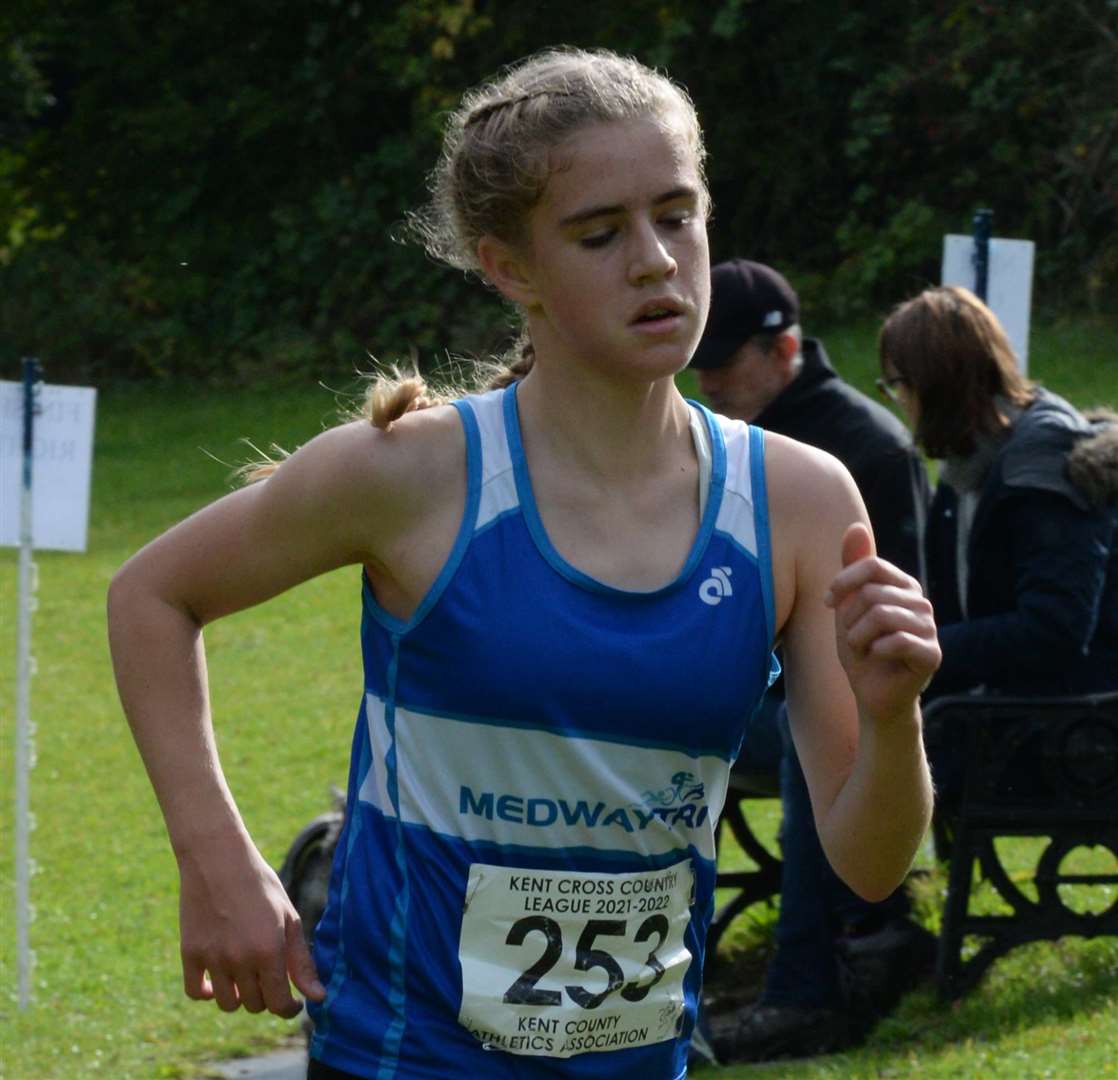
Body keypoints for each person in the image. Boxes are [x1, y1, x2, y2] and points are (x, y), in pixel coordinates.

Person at [106, 47, 939, 1080]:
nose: (652, 260)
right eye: (599, 233)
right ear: (509, 268)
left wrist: (893, 713)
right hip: (403, 1059)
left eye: (675, 215)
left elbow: (865, 864)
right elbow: (151, 594)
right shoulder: (412, 474)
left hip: (638, 1062)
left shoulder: (801, 502)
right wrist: (215, 862)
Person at [689, 260, 935, 1061]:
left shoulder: (864, 449)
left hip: (852, 704)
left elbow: (897, 626)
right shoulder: (724, 446)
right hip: (751, 690)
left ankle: (803, 991)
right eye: (704, 360)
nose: (709, 379)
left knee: (808, 736)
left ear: (785, 348)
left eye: (726, 362)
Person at [880, 286, 1118, 712]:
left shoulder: (1041, 470)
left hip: (1068, 722)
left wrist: (923, 646)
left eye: (898, 386)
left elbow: (1053, 630)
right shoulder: (965, 467)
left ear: (933, 385)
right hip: (1002, 710)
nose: (899, 403)